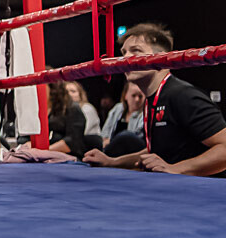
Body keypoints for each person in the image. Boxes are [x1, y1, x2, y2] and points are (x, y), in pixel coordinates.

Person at [84, 23, 226, 176]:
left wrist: (177, 169)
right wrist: (112, 162)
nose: (125, 58)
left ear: (161, 58)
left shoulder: (181, 95)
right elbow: (160, 150)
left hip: (203, 194)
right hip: (175, 190)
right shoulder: (152, 99)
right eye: (124, 52)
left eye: (135, 51)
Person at [47, 82, 102, 159]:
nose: (69, 94)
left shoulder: (76, 108)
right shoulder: (53, 110)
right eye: (67, 91)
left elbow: (73, 140)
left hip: (70, 156)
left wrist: (44, 150)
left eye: (73, 91)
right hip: (51, 154)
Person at [100, 82, 145, 156]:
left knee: (125, 136)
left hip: (132, 152)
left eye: (140, 96)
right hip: (112, 148)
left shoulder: (146, 112)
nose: (137, 99)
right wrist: (105, 140)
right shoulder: (118, 108)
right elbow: (105, 132)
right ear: (125, 96)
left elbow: (134, 138)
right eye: (133, 96)